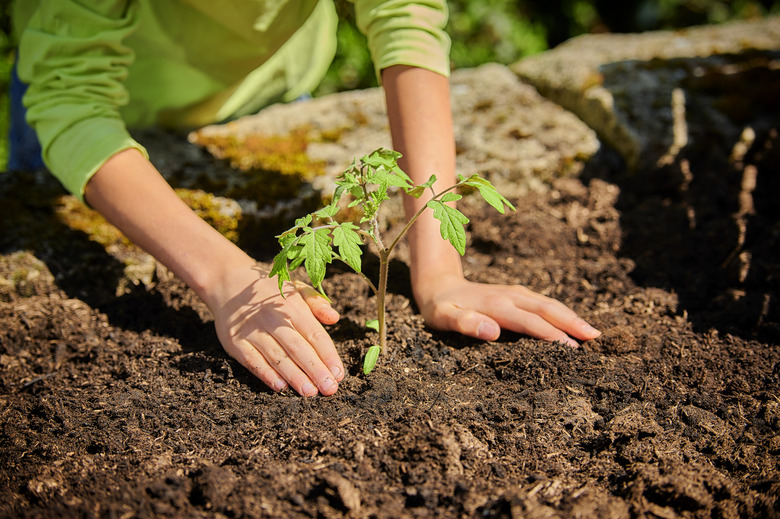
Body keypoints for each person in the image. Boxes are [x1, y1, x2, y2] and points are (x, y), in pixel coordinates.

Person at [10, 0, 601, 397]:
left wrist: (440, 272)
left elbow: (406, 18)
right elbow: (70, 100)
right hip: (103, 113)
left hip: (274, 79)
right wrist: (227, 277)